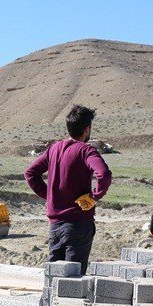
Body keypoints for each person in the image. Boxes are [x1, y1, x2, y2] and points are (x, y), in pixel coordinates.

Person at [24, 104, 112, 274]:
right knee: (71, 283)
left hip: (55, 227)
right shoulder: (86, 151)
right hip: (78, 225)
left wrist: (50, 196)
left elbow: (30, 173)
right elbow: (104, 174)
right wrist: (94, 196)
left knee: (53, 279)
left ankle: (47, 302)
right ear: (87, 129)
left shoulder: (54, 149)